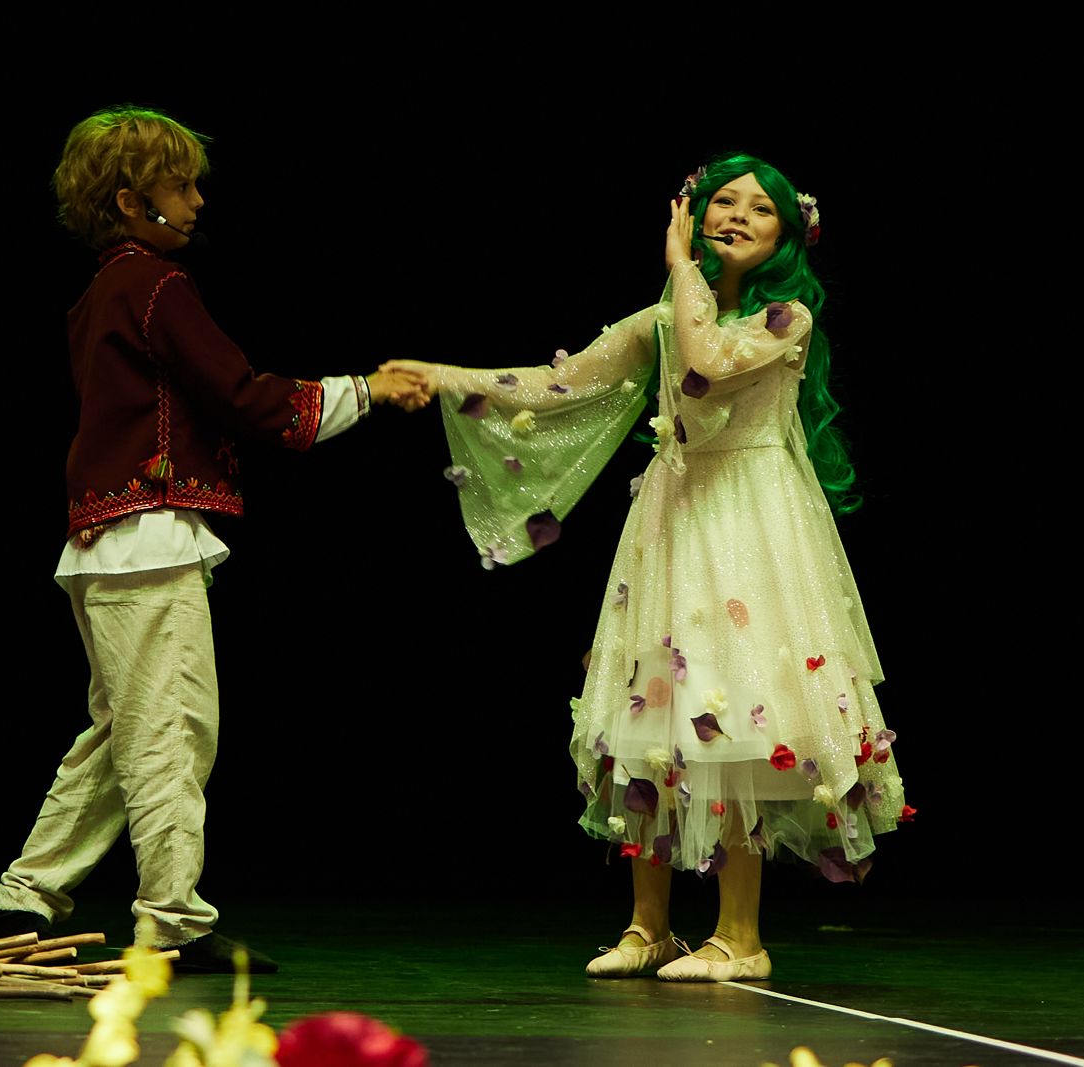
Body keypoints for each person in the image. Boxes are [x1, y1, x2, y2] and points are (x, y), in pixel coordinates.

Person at [385, 154, 907, 981]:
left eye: (758, 209)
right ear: (695, 212)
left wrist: (679, 266)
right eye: (722, 202)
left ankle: (741, 935)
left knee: (736, 711)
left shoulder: (787, 316)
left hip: (749, 520)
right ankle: (648, 925)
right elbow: (559, 384)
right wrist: (440, 375)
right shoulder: (666, 316)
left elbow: (708, 360)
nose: (735, 216)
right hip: (674, 519)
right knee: (654, 711)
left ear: (785, 234)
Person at [0, 105, 426, 973]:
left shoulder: (105, 292)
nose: (196, 202)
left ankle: (23, 898)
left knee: (121, 732)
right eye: (178, 186)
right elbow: (245, 397)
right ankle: (172, 922)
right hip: (144, 540)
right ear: (129, 201)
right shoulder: (154, 285)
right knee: (172, 730)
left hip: (112, 542)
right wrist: (366, 390)